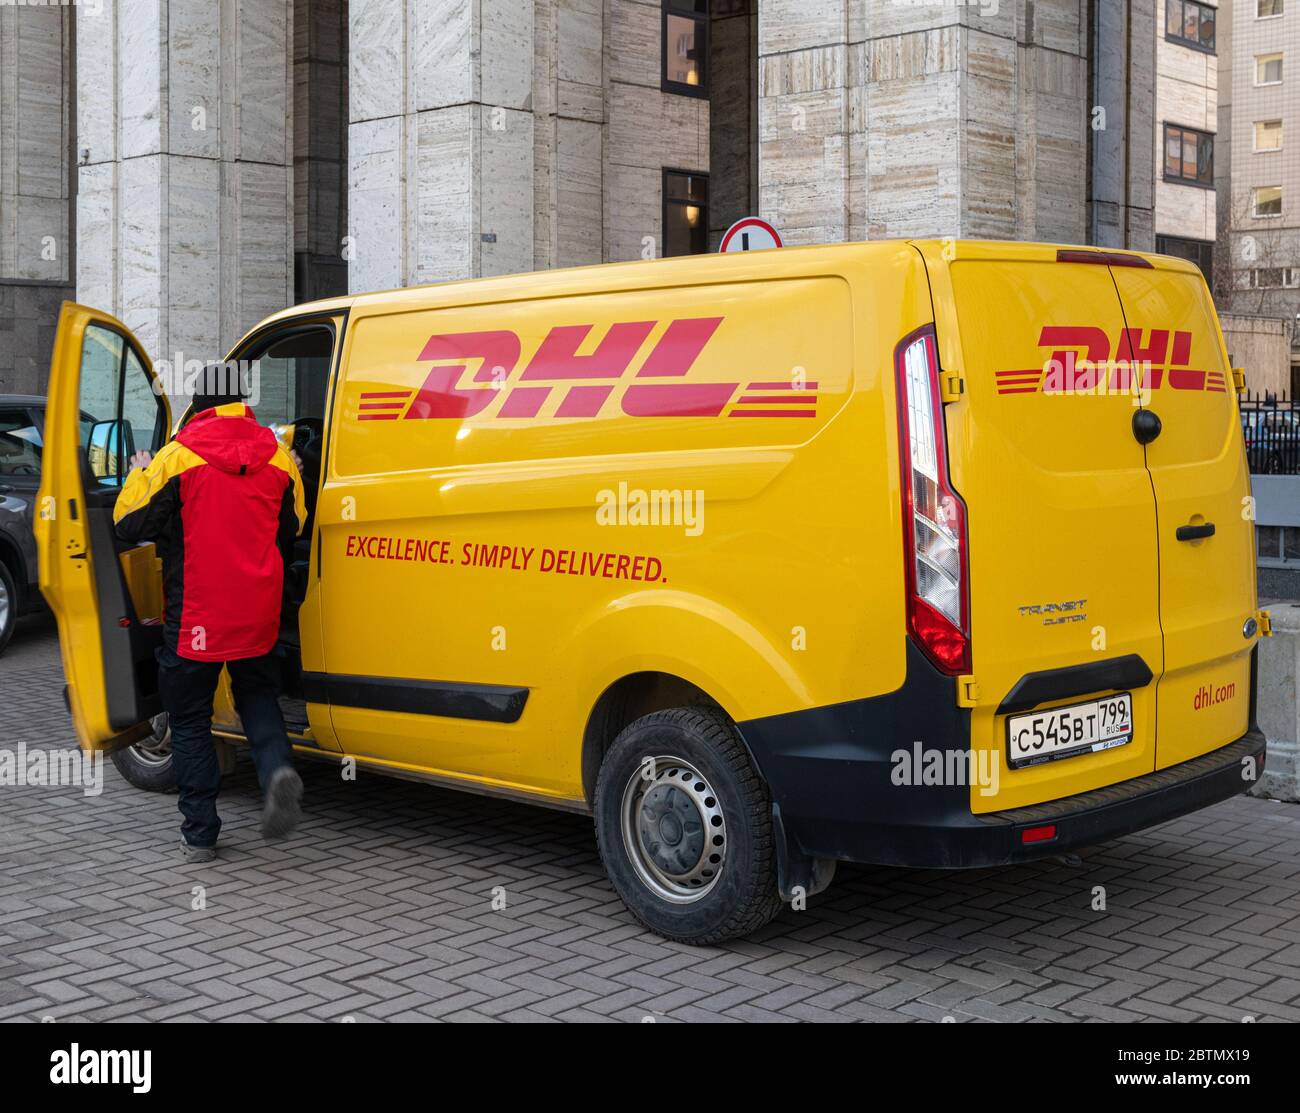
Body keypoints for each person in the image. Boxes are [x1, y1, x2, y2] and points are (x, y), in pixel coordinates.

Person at [114, 370, 307, 862]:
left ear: (198, 403)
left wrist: (140, 471)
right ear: (242, 401)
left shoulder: (178, 456)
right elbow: (297, 525)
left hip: (196, 614)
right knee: (258, 695)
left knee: (192, 718)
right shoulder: (280, 457)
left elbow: (127, 523)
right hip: (258, 609)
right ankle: (276, 770)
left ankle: (201, 833)